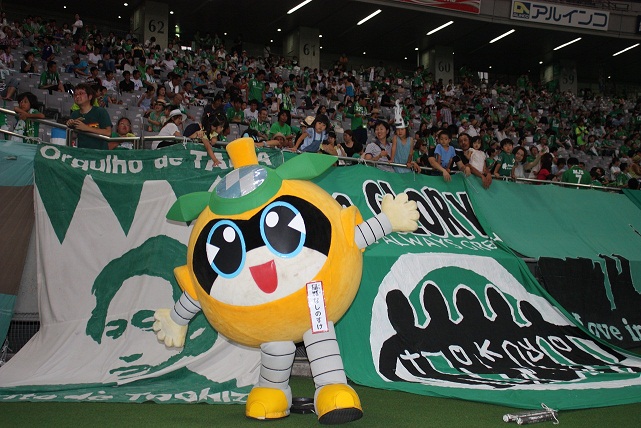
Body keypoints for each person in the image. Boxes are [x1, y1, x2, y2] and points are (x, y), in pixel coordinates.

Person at [66, 83, 112, 150]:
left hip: (100, 154)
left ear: (90, 97)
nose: (77, 96)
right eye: (75, 94)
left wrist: (86, 128)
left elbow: (108, 133)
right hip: (82, 153)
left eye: (81, 93)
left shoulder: (100, 111)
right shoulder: (74, 114)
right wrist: (71, 127)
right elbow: (73, 137)